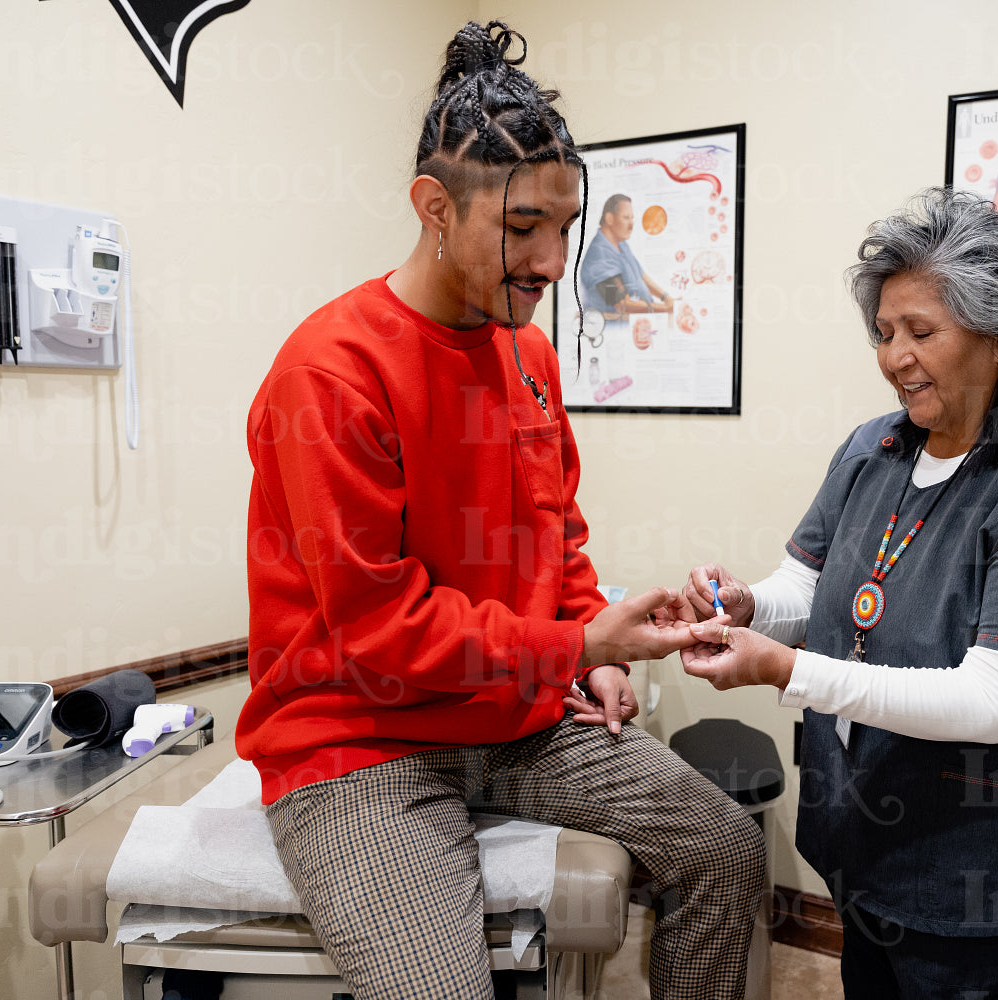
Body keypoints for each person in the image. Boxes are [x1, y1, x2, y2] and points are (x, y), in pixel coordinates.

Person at [236, 22, 764, 1000]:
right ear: (435, 207)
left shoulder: (530, 359)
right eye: (523, 229)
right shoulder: (331, 375)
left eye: (567, 227)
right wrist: (573, 649)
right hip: (358, 742)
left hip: (515, 717)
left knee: (725, 846)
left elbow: (555, 532)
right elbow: (377, 629)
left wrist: (588, 645)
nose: (555, 261)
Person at [679, 187, 998, 998]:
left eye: (922, 332)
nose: (895, 357)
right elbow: (812, 585)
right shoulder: (875, 448)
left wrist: (787, 671)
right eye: (886, 333)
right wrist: (751, 605)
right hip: (867, 850)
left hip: (983, 884)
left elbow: (993, 701)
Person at [579, 193, 676, 316]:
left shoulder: (621, 244)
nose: (631, 225)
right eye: (626, 217)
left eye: (632, 218)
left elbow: (641, 276)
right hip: (612, 328)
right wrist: (665, 309)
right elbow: (621, 304)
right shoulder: (599, 256)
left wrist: (666, 298)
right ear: (609, 219)